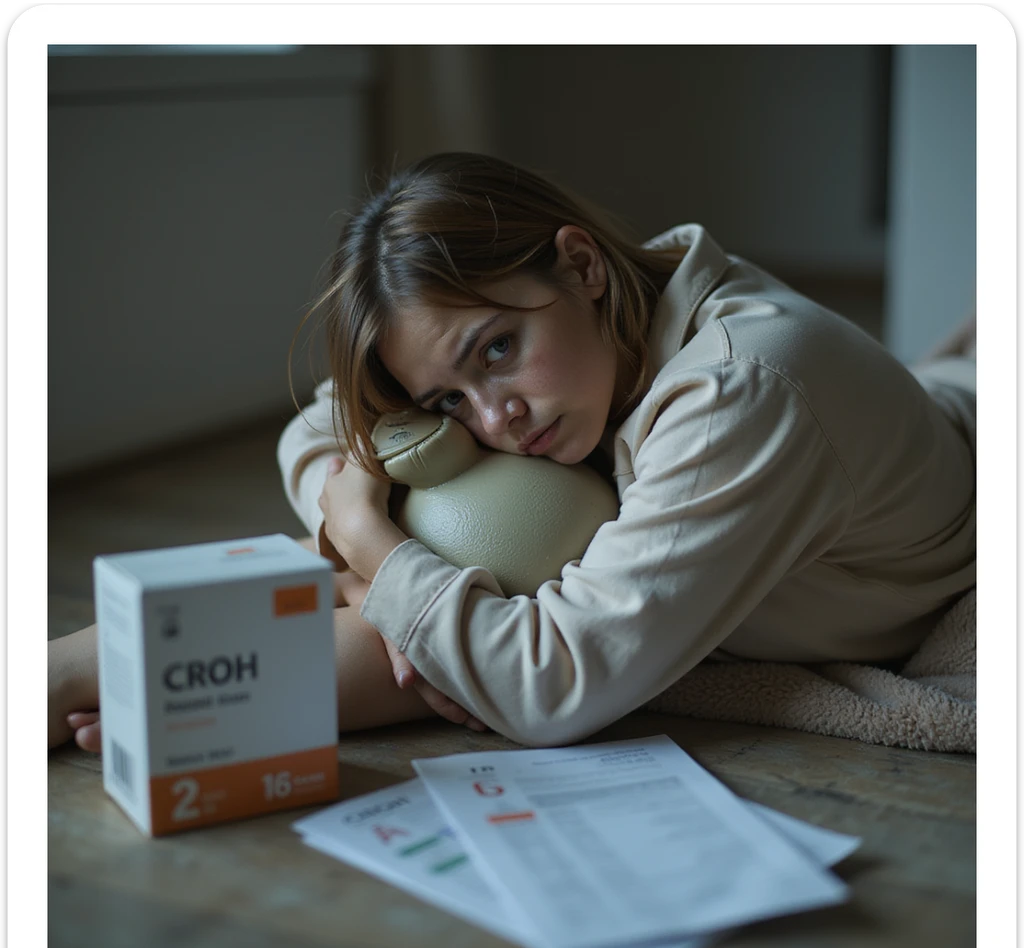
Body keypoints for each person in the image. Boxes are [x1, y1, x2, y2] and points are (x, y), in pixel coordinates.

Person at [50, 151, 976, 753]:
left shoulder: (740, 392)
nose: (496, 419)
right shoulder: (592, 328)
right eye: (447, 398)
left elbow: (553, 685)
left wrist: (380, 558)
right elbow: (321, 430)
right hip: (850, 447)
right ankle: (78, 667)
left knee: (448, 570)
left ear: (581, 265)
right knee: (437, 546)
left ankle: (132, 683)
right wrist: (367, 533)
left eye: (497, 348)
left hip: (923, 504)